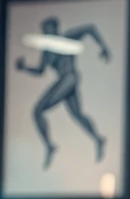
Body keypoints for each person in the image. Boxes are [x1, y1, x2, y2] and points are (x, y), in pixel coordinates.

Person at [13, 16, 110, 168]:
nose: (46, 32)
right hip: (64, 80)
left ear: (55, 27)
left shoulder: (67, 37)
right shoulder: (47, 51)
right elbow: (40, 71)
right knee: (77, 114)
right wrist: (25, 68)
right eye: (44, 30)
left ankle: (50, 146)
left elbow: (90, 28)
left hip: (69, 78)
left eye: (48, 28)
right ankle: (98, 139)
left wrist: (103, 47)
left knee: (39, 111)